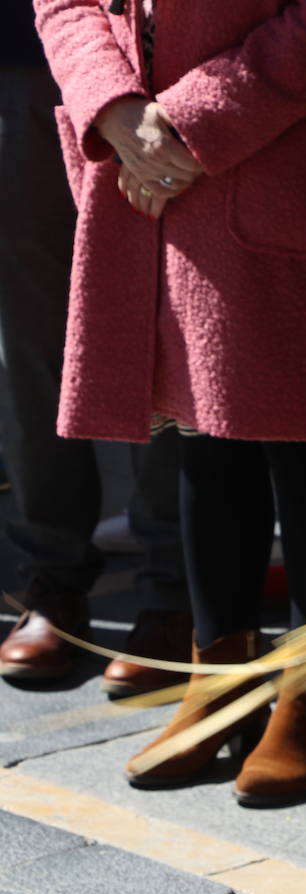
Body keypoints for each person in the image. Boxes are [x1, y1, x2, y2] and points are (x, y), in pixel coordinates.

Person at [33, 0, 306, 805]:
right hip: (142, 164)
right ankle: (220, 675)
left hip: (271, 149)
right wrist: (116, 107)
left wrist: (188, 125)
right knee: (202, 432)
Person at [0, 7, 190, 694]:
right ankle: (50, 577)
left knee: (162, 324)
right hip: (21, 53)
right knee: (32, 342)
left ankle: (175, 586)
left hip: (158, 58)